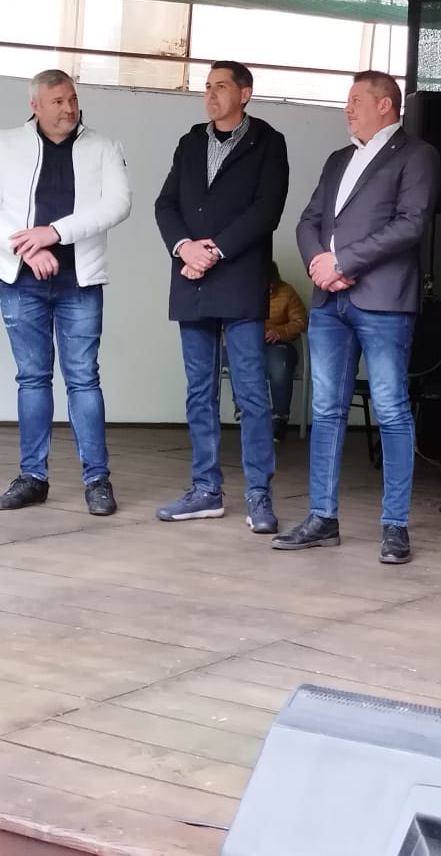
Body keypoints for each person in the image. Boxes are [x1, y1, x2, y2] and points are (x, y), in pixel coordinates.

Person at [277, 71, 441, 563]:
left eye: (355, 100)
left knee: (390, 409)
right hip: (330, 301)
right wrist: (318, 263)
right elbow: (309, 220)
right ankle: (322, 518)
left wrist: (344, 262)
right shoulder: (338, 158)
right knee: (326, 409)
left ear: (385, 104)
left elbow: (410, 224)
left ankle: (395, 526)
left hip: (383, 301)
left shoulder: (417, 155)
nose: (347, 109)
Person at [0, 69, 132, 517]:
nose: (69, 108)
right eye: (58, 101)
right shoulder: (6, 143)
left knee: (84, 379)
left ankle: (97, 480)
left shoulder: (104, 147)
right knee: (32, 378)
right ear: (35, 105)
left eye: (72, 99)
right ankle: (32, 478)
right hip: (21, 280)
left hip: (80, 281)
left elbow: (118, 205)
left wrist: (53, 233)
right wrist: (28, 246)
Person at [153, 62, 290, 535]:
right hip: (191, 278)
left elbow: (267, 210)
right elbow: (165, 203)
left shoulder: (268, 142)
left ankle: (259, 494)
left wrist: (214, 250)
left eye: (221, 87)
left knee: (251, 393)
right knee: (199, 391)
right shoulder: (191, 141)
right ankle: (205, 490)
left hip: (239, 279)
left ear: (245, 94)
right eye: (207, 87)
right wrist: (184, 248)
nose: (210, 95)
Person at [265, 261, 308, 441]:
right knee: (238, 359)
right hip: (251, 344)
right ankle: (244, 410)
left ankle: (280, 418)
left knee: (279, 367)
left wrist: (279, 332)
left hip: (279, 344)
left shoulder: (286, 292)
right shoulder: (243, 292)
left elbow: (301, 321)